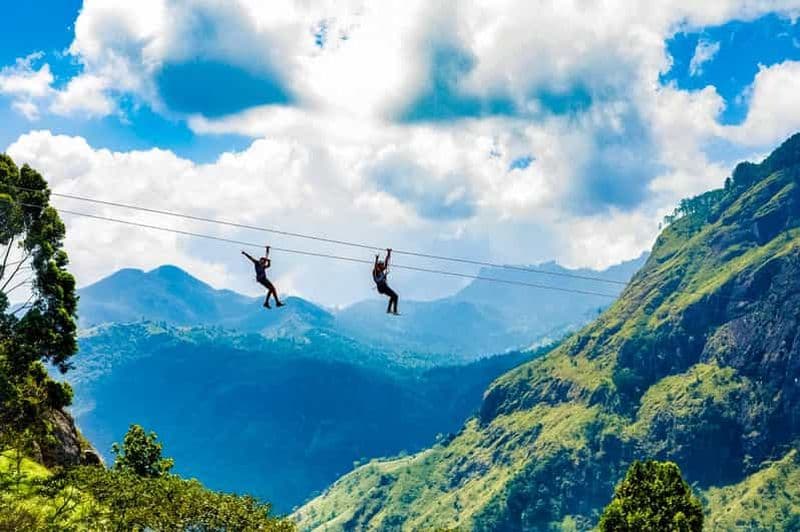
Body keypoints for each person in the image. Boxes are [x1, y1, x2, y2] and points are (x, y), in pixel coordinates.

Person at [373, 248, 399, 315]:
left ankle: (389, 310)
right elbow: (376, 267)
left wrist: (389, 253)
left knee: (394, 296)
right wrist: (376, 259)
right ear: (378, 266)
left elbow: (386, 262)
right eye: (381, 265)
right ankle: (394, 311)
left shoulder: (381, 270)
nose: (382, 266)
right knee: (395, 296)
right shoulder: (376, 271)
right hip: (382, 287)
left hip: (383, 287)